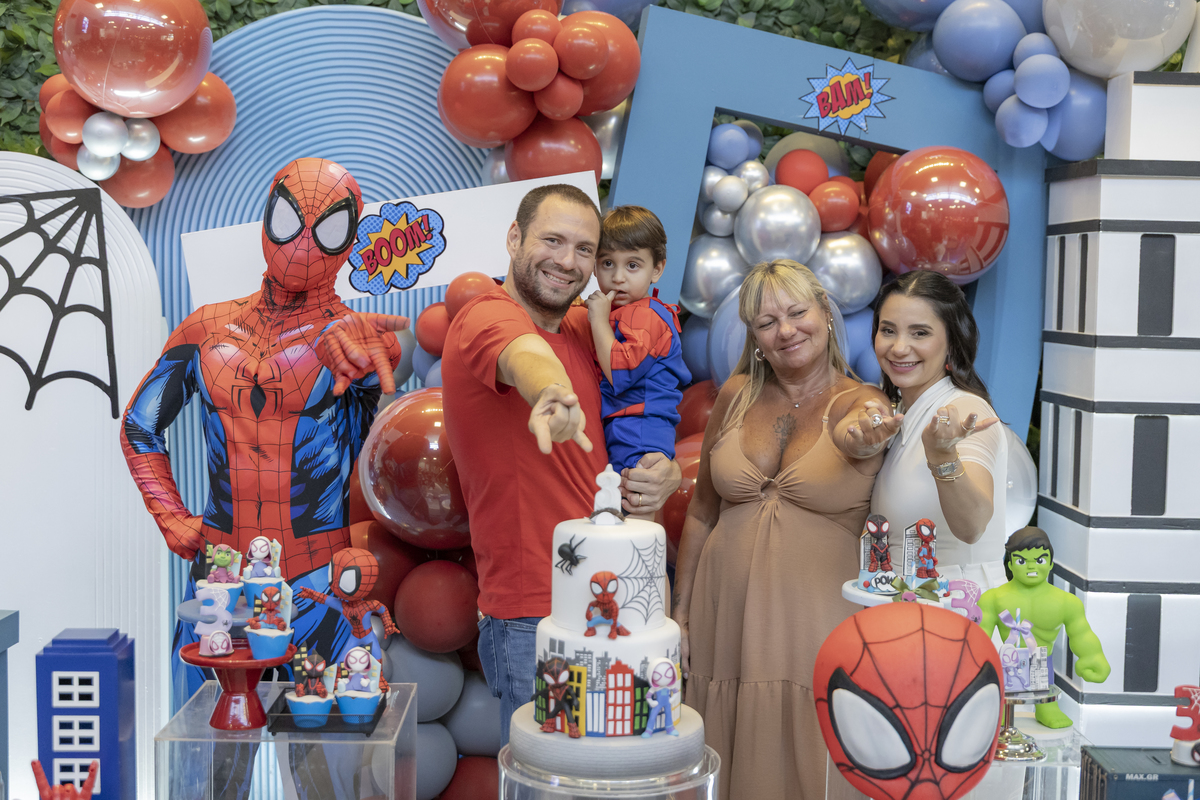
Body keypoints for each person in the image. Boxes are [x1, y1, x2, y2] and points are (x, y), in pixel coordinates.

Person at [441, 184, 681, 745]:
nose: (567, 261)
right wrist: (550, 390)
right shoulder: (485, 316)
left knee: (619, 772)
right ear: (514, 238)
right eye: (552, 241)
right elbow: (525, 354)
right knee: (549, 775)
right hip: (537, 615)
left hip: (620, 601)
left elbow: (646, 404)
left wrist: (664, 470)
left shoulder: (588, 325)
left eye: (584, 250)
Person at [671, 259, 900, 800]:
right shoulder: (736, 394)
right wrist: (680, 613)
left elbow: (861, 431)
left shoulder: (863, 401)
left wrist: (864, 436)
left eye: (797, 313)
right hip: (722, 618)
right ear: (753, 336)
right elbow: (702, 511)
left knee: (804, 762)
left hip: (813, 623)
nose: (786, 331)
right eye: (767, 322)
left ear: (825, 312)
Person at [869, 270, 1008, 580]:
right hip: (904, 603)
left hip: (955, 604)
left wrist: (943, 456)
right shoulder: (901, 413)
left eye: (920, 333)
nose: (899, 347)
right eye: (888, 330)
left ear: (952, 342)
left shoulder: (964, 409)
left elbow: (973, 526)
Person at [585, 206, 691, 498]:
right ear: (594, 266)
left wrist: (597, 319)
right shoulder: (623, 312)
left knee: (633, 500)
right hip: (628, 424)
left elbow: (620, 372)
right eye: (608, 263)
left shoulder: (645, 314)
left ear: (657, 269)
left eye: (632, 265)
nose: (618, 277)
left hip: (639, 428)